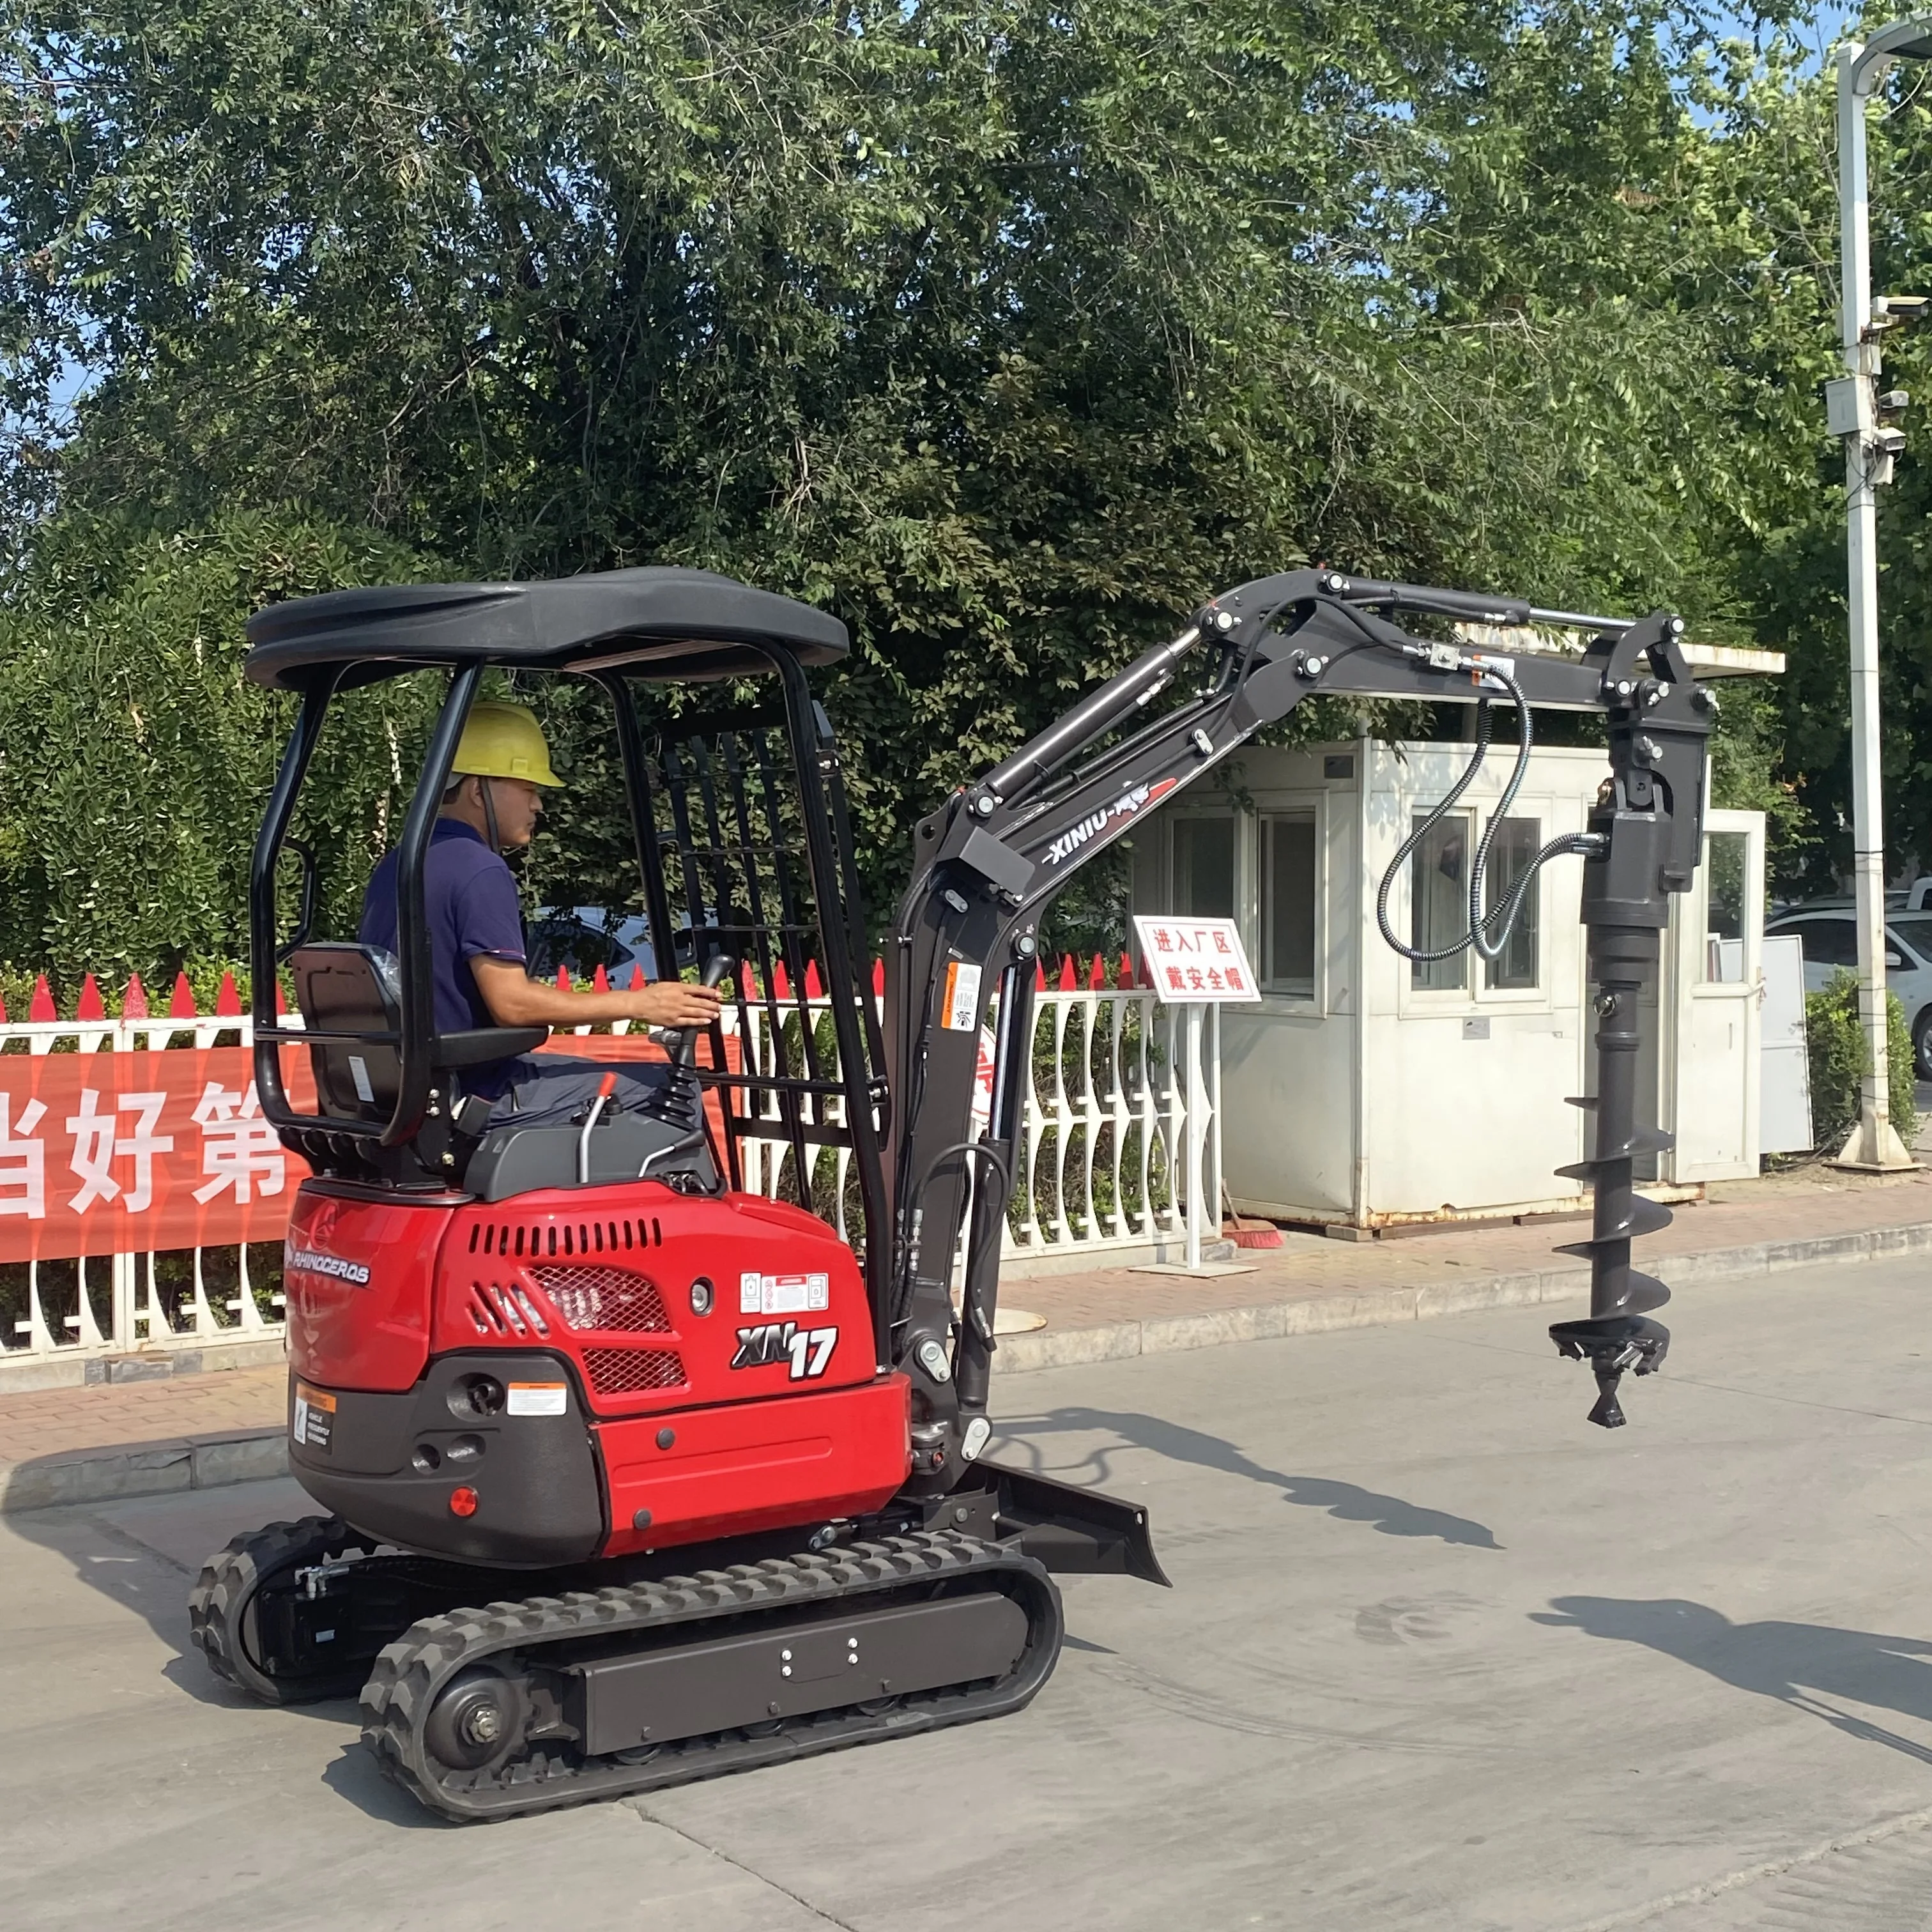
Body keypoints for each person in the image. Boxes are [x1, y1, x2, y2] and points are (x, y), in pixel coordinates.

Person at [358, 700, 722, 1126]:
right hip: (474, 1094)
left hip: (411, 1093)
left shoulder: (399, 863)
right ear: (479, 791)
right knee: (675, 1088)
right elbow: (511, 1005)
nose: (539, 806)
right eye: (529, 789)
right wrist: (640, 1002)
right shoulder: (480, 869)